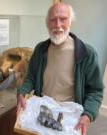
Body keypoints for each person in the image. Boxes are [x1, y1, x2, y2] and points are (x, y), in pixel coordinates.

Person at [17, 2, 103, 135]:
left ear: (71, 22)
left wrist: (88, 114)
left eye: (63, 19)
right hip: (44, 110)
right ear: (47, 23)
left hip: (71, 116)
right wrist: (22, 93)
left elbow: (95, 91)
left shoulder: (87, 53)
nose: (57, 25)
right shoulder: (40, 49)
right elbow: (31, 77)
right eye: (53, 20)